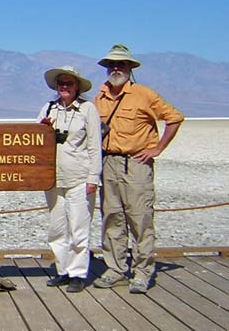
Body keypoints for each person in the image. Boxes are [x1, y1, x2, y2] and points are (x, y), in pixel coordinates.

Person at [93, 44, 184, 293]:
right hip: (108, 162)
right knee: (112, 217)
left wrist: (158, 149)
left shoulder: (144, 94)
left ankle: (142, 272)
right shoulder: (99, 96)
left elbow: (175, 118)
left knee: (140, 218)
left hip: (136, 163)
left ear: (130, 68)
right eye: (111, 64)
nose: (115, 68)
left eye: (121, 64)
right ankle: (115, 269)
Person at [37, 66, 102, 293]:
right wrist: (43, 129)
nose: (64, 87)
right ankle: (62, 270)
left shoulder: (87, 110)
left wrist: (93, 178)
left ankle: (77, 273)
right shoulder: (48, 108)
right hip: (53, 179)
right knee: (57, 228)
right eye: (61, 83)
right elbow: (36, 138)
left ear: (77, 87)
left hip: (79, 178)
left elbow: (95, 147)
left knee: (78, 228)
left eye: (69, 83)